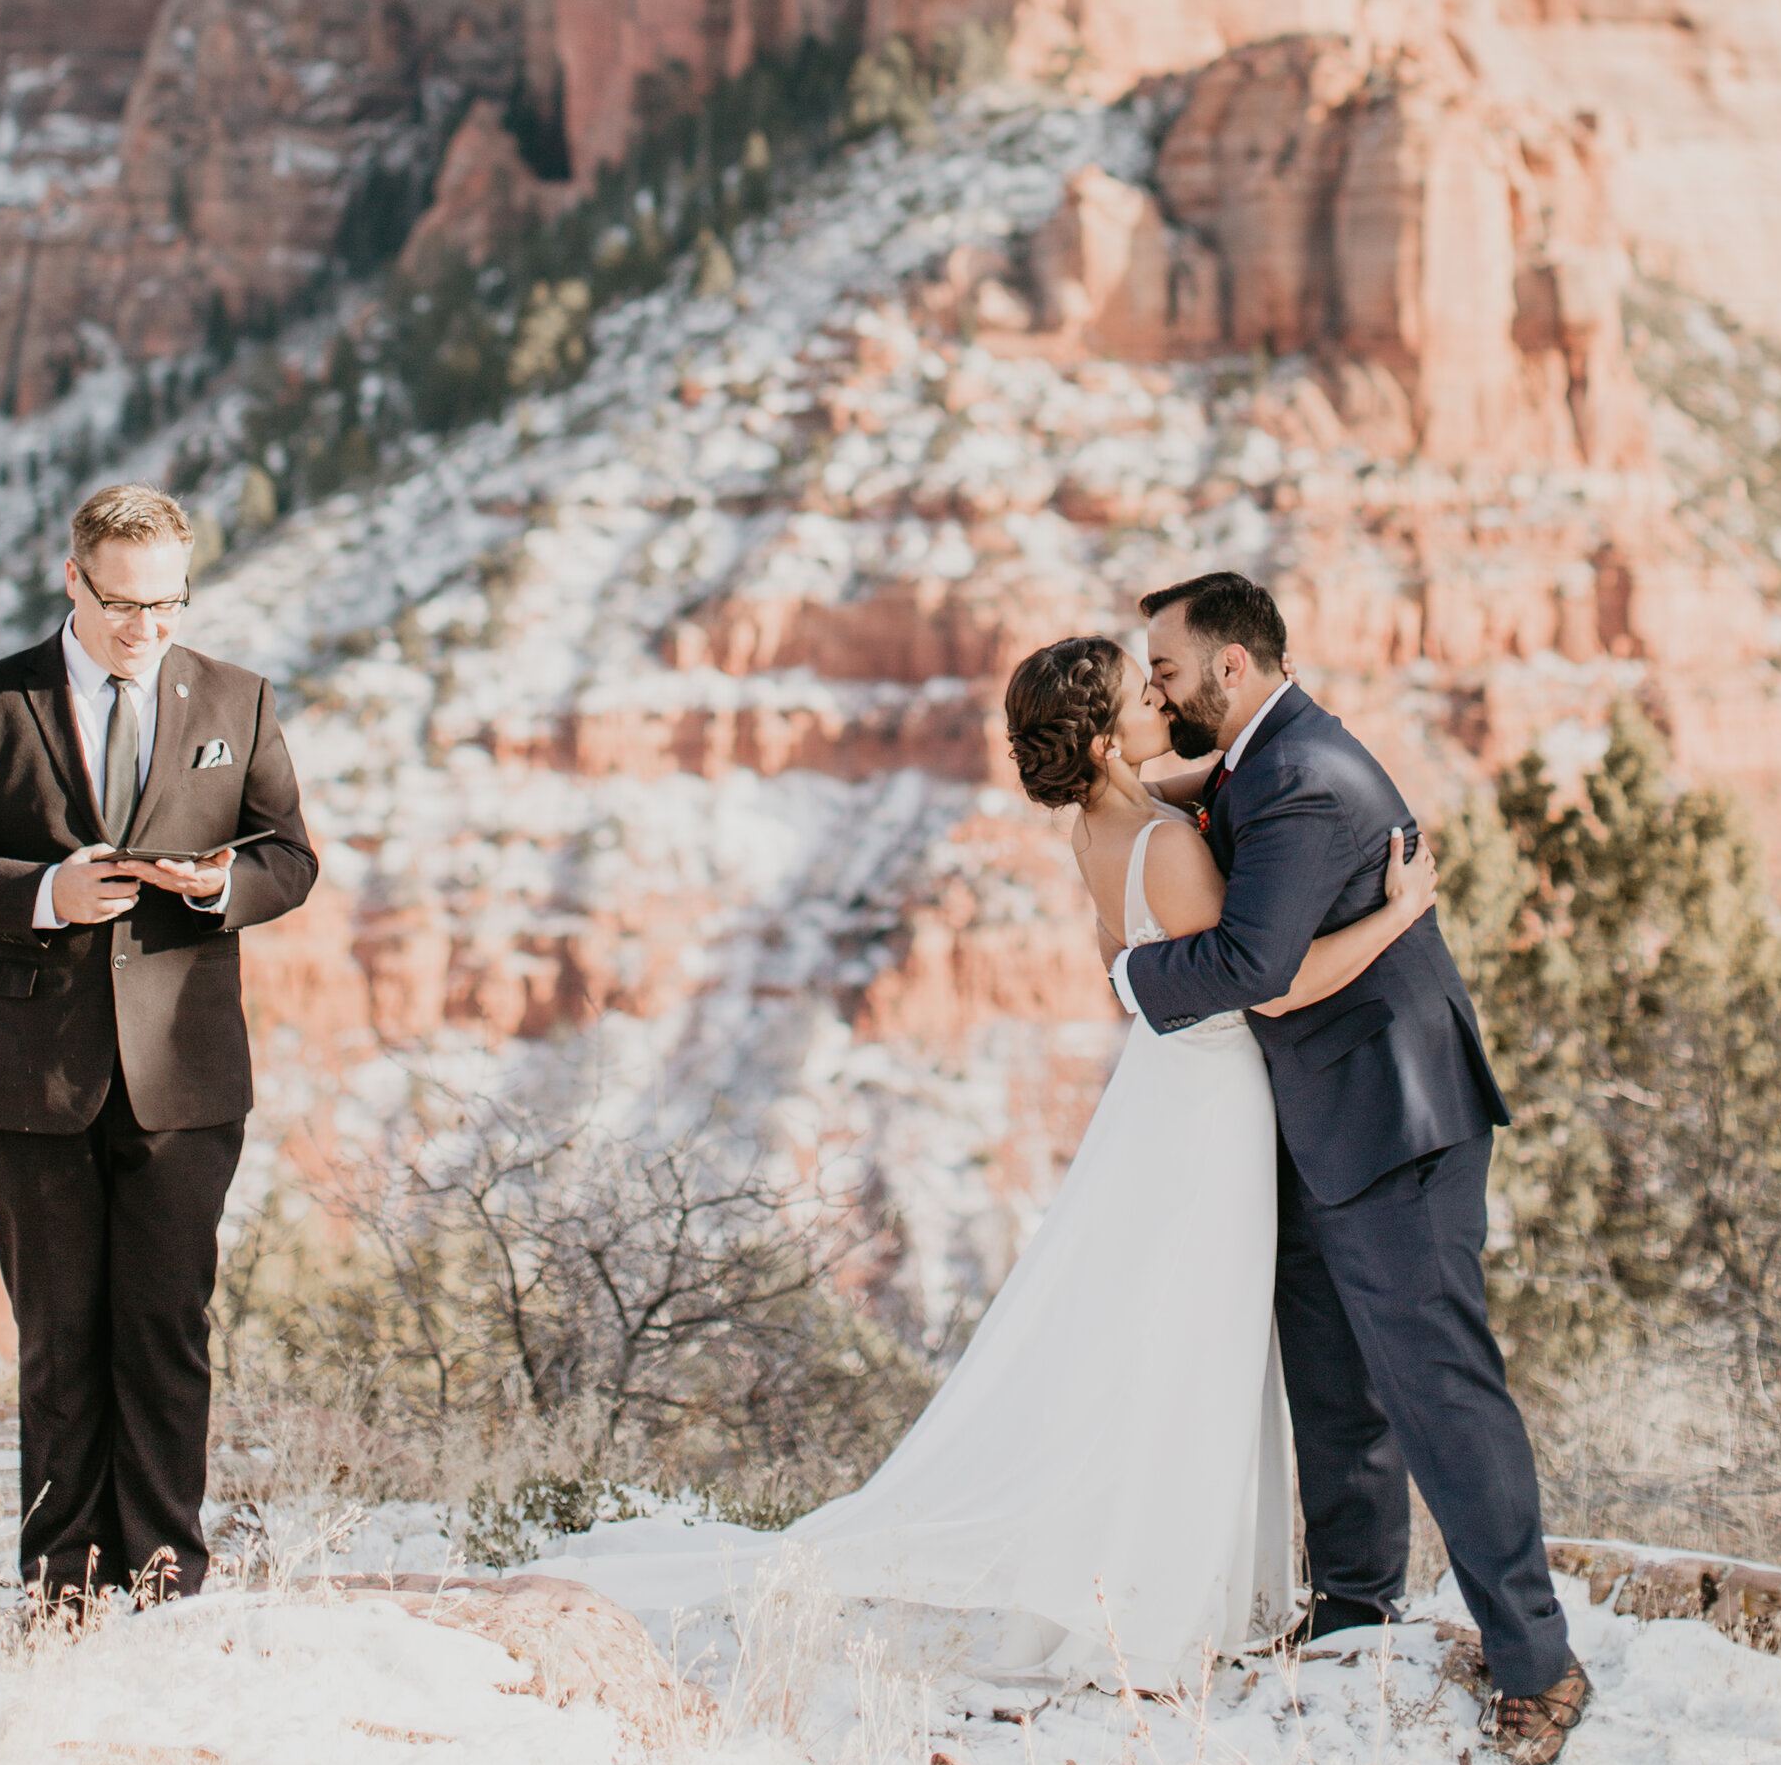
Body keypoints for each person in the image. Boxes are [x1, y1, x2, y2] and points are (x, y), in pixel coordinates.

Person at [541, 635, 1440, 1691]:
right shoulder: (1174, 849)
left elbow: (1142, 920)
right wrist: (1400, 912)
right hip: (1214, 1103)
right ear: (1106, 738)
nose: (1162, 699)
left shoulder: (1101, 830)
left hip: (1163, 1094)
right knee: (1200, 1337)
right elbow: (1263, 987)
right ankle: (1167, 1592)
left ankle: (1162, 1574)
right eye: (1140, 694)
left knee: (1174, 1333)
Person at [1113, 570, 1592, 1765]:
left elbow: (1248, 965)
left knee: (1438, 1389)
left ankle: (1539, 1665)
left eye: (1165, 671)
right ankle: (1358, 1611)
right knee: (1333, 1378)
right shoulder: (1255, 760)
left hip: (1397, 1123)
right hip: (1319, 1119)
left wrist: (1124, 978)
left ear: (1231, 668)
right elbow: (1205, 793)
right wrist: (1128, 780)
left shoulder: (1304, 777)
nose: (1156, 692)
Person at [0, 481, 316, 1605]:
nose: (149, 627)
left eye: (170, 602)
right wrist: (43, 891)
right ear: (74, 580)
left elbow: (291, 858)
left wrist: (222, 880)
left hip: (185, 1074)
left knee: (167, 1329)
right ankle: (64, 1589)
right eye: (126, 603)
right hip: (33, 1077)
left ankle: (167, 1578)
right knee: (60, 1340)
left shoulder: (238, 698)